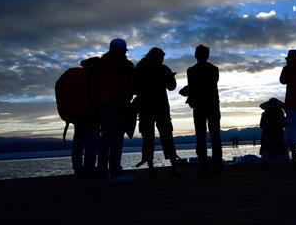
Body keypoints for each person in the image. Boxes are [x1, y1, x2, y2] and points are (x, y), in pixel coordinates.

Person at [134, 47, 181, 175]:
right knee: (167, 137)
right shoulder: (163, 68)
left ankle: (151, 169)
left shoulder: (140, 68)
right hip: (161, 109)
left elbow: (134, 89)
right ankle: (174, 167)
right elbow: (172, 87)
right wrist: (170, 78)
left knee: (148, 138)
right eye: (161, 57)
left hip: (146, 109)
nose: (162, 60)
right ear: (158, 57)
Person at [93, 38, 135, 178]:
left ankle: (102, 169)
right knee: (117, 139)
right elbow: (133, 86)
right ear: (122, 50)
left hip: (104, 106)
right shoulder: (128, 66)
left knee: (105, 138)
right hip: (119, 105)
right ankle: (115, 169)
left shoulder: (100, 64)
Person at [186, 44, 222, 173]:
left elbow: (192, 87)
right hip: (212, 105)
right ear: (207, 55)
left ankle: (204, 164)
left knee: (201, 136)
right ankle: (217, 164)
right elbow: (211, 84)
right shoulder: (214, 69)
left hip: (200, 106)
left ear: (196, 55)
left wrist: (191, 97)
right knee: (215, 135)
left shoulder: (191, 71)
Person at [259, 97, 288, 164]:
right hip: (278, 136)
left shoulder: (264, 113)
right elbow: (284, 124)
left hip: (266, 137)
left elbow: (261, 125)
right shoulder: (279, 112)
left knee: (267, 155)